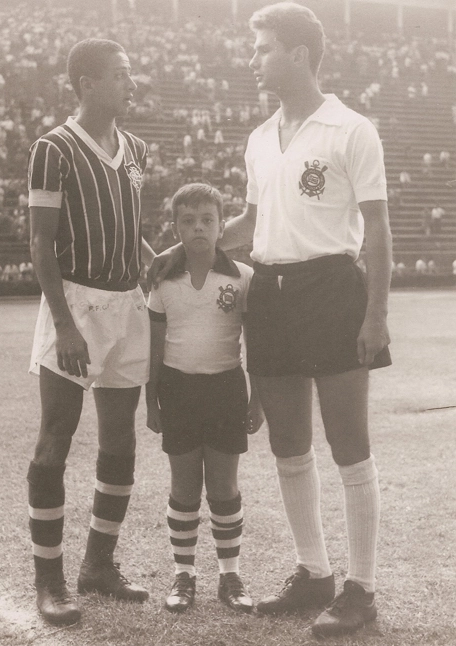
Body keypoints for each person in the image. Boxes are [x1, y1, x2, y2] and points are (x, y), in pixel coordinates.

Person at [149, 3, 392, 638]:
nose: (252, 59)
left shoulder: (351, 129)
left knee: (348, 445)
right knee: (288, 444)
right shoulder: (259, 138)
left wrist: (377, 316)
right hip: (273, 294)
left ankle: (361, 587)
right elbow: (250, 225)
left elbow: (380, 232)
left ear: (298, 54)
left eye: (261, 48)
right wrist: (185, 249)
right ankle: (313, 572)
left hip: (334, 287)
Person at [26, 38, 156, 626]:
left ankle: (98, 566)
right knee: (56, 438)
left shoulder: (134, 148)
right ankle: (49, 582)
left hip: (128, 302)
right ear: (86, 82)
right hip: (76, 305)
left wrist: (160, 262)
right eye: (121, 74)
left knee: (120, 441)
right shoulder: (52, 149)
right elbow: (40, 242)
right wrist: (63, 325)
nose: (131, 83)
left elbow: (128, 226)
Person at [146, 183, 263, 614]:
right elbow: (155, 346)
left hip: (226, 388)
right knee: (184, 486)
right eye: (189, 221)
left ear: (221, 225)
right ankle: (184, 574)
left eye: (207, 221)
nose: (198, 228)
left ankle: (229, 575)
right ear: (175, 226)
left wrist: (258, 400)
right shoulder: (162, 278)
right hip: (177, 390)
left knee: (223, 485)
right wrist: (150, 400)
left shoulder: (242, 277)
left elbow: (257, 345)